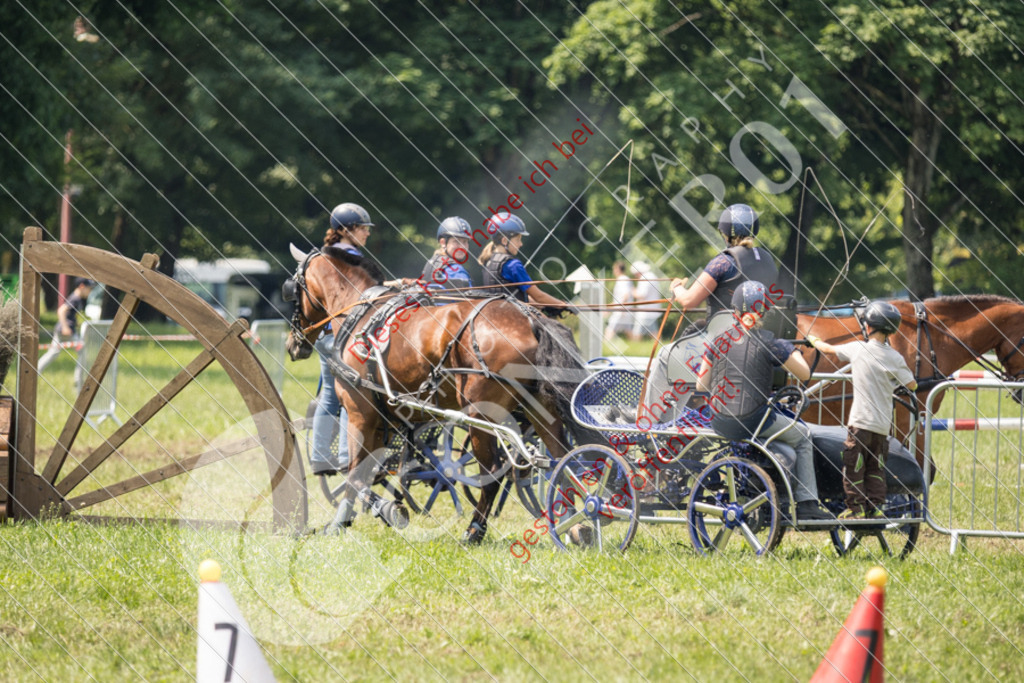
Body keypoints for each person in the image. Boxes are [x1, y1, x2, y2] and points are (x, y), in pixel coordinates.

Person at [697, 281, 833, 521]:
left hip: (719, 421)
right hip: (753, 420)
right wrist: (795, 351)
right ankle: (807, 502)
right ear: (764, 311)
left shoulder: (718, 340)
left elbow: (701, 385)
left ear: (735, 311)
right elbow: (803, 374)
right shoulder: (771, 342)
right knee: (802, 436)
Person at [807, 301, 917, 519]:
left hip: (860, 424)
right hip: (882, 427)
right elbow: (911, 384)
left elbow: (828, 349)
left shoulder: (859, 349)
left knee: (854, 467)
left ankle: (855, 509)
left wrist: (814, 340)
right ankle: (875, 507)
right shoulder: (895, 357)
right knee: (875, 469)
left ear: (868, 327)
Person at [310, 202, 373, 475]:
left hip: (331, 337)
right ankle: (347, 458)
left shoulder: (337, 256)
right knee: (350, 394)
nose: (367, 233)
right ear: (345, 230)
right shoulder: (346, 257)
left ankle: (321, 456)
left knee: (330, 396)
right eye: (362, 228)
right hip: (339, 338)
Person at [670, 203, 780, 321]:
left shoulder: (723, 262)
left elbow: (688, 301)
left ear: (726, 233)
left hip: (725, 333)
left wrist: (676, 287)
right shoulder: (767, 259)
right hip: (763, 330)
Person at [478, 211, 574, 313]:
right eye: (518, 239)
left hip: (494, 316)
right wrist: (565, 305)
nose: (521, 244)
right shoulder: (513, 265)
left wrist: (545, 306)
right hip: (514, 317)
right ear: (505, 241)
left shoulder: (488, 262)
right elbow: (539, 296)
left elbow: (516, 296)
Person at [38, 277, 94, 374]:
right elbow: (61, 311)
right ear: (82, 286)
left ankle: (36, 370)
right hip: (67, 332)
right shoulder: (75, 298)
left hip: (62, 330)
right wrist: (65, 327)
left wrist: (75, 322)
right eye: (89, 289)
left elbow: (69, 314)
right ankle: (79, 381)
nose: (90, 292)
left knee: (53, 353)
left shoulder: (77, 298)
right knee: (82, 352)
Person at [420, 217, 473, 290]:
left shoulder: (432, 262)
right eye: (456, 241)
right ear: (443, 242)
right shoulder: (456, 270)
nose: (462, 247)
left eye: (465, 241)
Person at [629, 262, 662, 340]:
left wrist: (633, 291)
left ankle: (635, 350)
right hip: (652, 310)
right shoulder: (652, 276)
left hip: (645, 312)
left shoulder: (645, 278)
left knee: (637, 333)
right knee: (654, 333)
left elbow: (642, 295)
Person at [604, 260, 634, 340]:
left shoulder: (623, 280)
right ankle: (636, 344)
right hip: (623, 310)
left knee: (610, 329)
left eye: (614, 269)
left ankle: (605, 345)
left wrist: (621, 307)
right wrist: (609, 308)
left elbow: (626, 295)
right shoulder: (623, 279)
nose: (613, 271)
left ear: (618, 269)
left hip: (621, 310)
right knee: (628, 331)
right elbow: (618, 298)